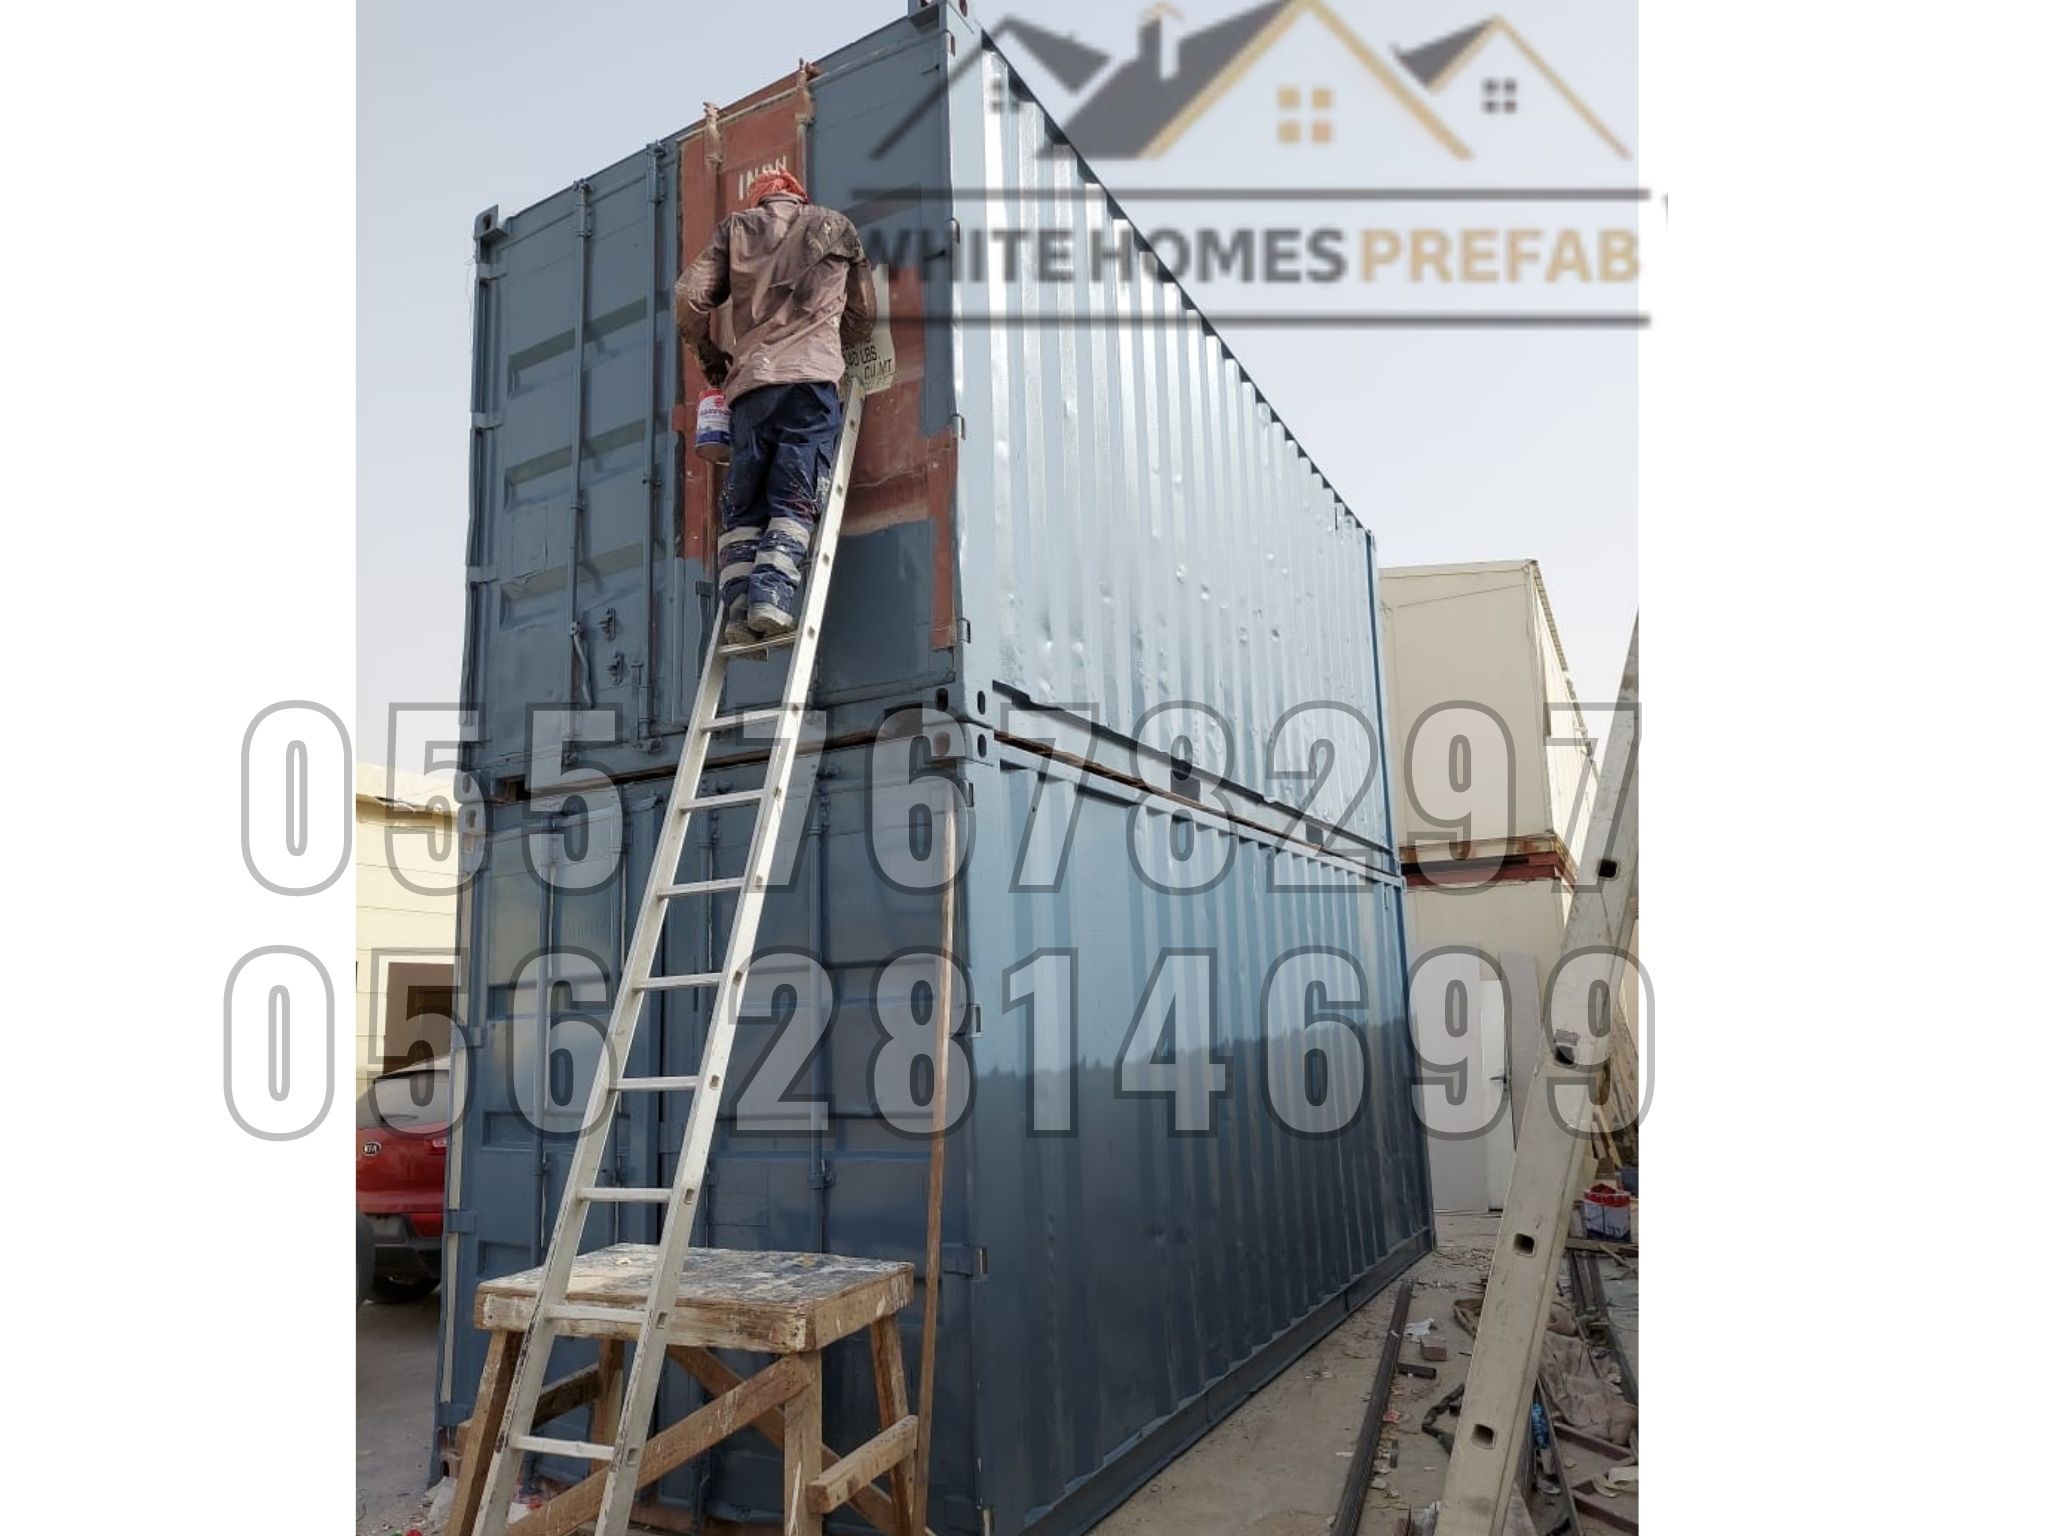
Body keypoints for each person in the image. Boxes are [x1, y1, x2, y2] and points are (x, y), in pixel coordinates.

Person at [675, 169, 875, 646]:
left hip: (749, 388)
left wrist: (710, 355)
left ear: (759, 201)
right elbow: (863, 316)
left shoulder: (735, 229)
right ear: (797, 197)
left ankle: (739, 607)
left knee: (746, 501)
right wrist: (829, 338)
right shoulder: (835, 226)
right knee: (795, 492)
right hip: (809, 382)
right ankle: (771, 596)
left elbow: (688, 297)